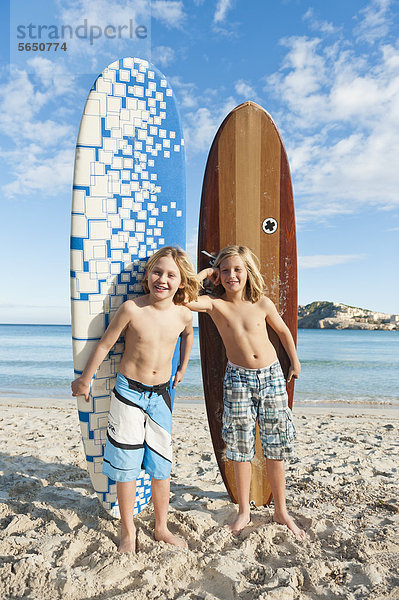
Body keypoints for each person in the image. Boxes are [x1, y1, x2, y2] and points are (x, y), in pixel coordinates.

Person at [71, 246, 200, 553]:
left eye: (171, 275)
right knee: (126, 465)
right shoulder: (132, 309)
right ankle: (128, 530)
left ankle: (161, 527)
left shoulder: (184, 312)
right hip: (128, 394)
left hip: (161, 396)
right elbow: (104, 345)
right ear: (147, 275)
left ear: (181, 282)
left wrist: (182, 367)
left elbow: (188, 335)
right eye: (157, 272)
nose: (163, 280)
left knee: (161, 466)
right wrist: (85, 378)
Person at [186, 245, 305, 538]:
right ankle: (244, 512)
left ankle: (281, 510)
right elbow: (184, 299)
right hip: (238, 379)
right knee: (240, 445)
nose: (230, 275)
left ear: (248, 272)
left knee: (275, 443)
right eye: (224, 270)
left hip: (272, 375)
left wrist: (295, 360)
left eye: (237, 269)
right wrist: (205, 273)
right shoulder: (215, 304)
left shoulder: (262, 303)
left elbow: (283, 332)